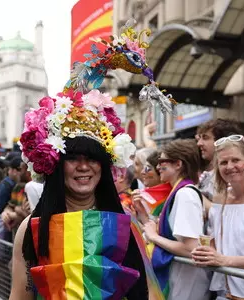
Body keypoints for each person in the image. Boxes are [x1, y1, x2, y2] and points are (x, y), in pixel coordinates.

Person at [10, 88, 147, 299]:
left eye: (92, 158)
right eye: (73, 158)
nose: (84, 167)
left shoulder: (125, 223)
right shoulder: (32, 227)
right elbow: (21, 295)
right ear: (57, 165)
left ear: (103, 165)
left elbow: (143, 291)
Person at [192, 134, 244, 299]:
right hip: (224, 292)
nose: (230, 166)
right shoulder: (219, 199)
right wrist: (205, 253)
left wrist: (223, 260)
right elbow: (216, 244)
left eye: (236, 160)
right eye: (223, 162)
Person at [142, 139, 210, 300]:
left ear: (178, 164)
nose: (158, 167)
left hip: (187, 284)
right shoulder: (180, 192)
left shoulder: (185, 194)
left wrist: (154, 236)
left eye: (161, 162)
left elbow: (190, 249)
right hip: (179, 279)